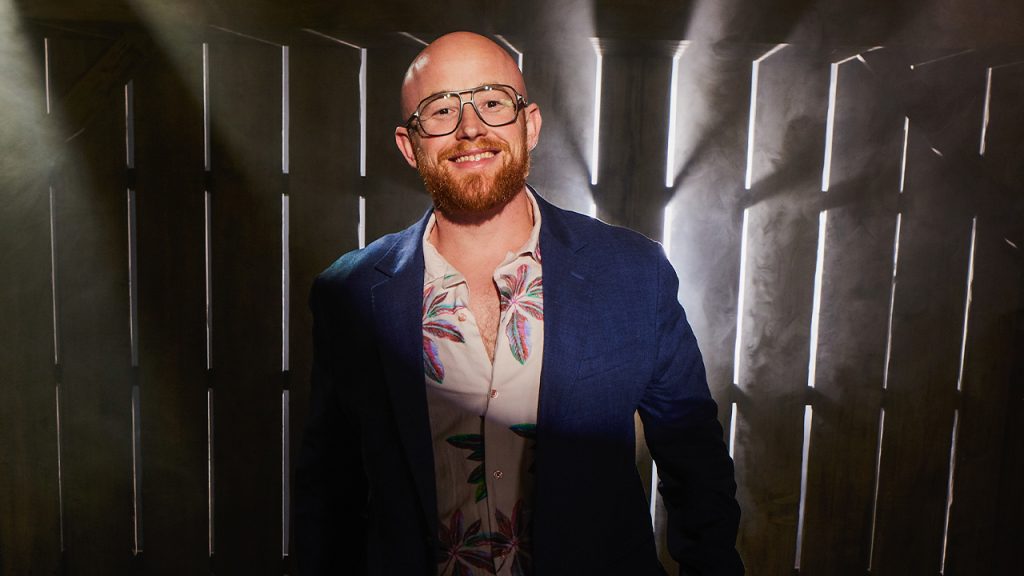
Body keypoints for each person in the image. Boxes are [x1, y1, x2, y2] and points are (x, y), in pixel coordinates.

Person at [295, 31, 743, 576]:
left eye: (491, 102)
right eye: (440, 111)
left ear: (529, 124)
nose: (470, 128)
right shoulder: (349, 295)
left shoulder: (633, 273)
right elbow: (329, 495)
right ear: (409, 146)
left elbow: (695, 466)